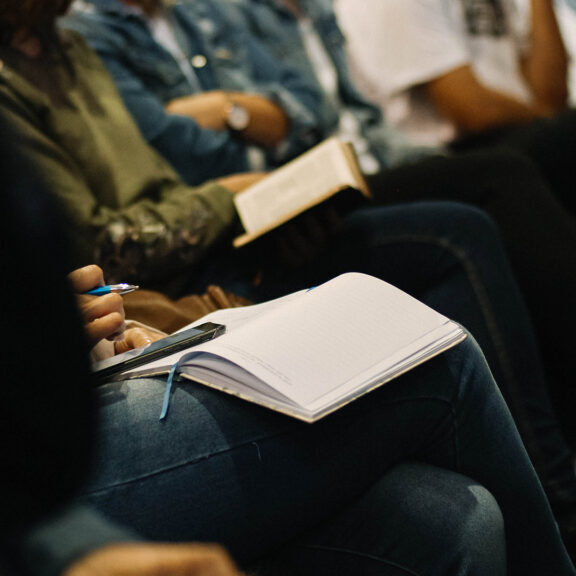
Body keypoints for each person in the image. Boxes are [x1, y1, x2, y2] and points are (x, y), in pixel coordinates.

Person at [5, 0, 576, 546]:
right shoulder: (79, 46)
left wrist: (238, 129)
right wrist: (229, 195)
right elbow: (121, 231)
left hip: (169, 283)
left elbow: (306, 114)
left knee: (453, 517)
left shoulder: (74, 45)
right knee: (443, 342)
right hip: (168, 291)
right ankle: (561, 511)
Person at [335, 0, 576, 210]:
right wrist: (549, 119)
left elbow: (552, 95)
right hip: (439, 155)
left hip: (518, 132)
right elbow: (475, 112)